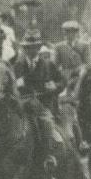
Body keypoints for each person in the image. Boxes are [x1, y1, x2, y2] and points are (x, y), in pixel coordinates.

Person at [14, 30, 66, 171]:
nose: (31, 50)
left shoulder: (48, 65)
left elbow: (62, 81)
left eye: (34, 47)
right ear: (24, 49)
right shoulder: (17, 65)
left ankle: (48, 156)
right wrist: (17, 87)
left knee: (47, 122)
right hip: (22, 105)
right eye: (27, 47)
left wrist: (55, 86)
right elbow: (12, 85)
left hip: (42, 105)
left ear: (38, 48)